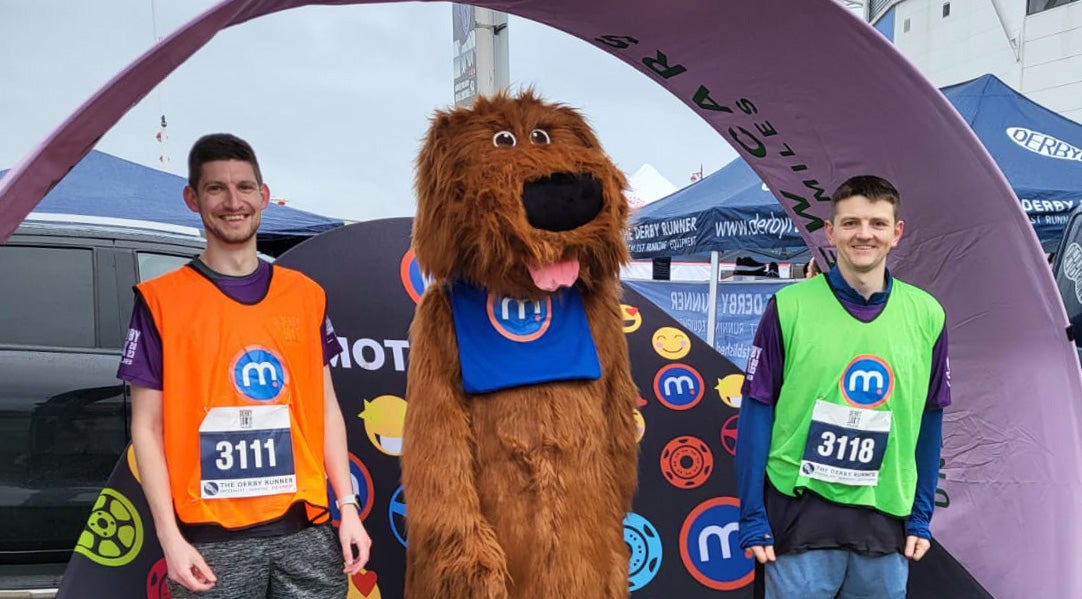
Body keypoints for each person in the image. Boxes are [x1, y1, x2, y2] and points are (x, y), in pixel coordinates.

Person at [119, 133, 370, 598]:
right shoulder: (161, 301)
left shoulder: (305, 295)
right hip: (211, 540)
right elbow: (147, 429)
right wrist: (169, 538)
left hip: (306, 532)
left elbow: (326, 411)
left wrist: (349, 507)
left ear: (264, 196)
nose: (233, 202)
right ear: (192, 199)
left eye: (245, 187)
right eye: (216, 188)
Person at [735, 175, 949, 598]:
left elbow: (931, 419)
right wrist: (752, 515)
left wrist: (922, 515)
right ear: (830, 233)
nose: (864, 234)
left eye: (877, 223)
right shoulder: (788, 307)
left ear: (896, 233)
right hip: (799, 516)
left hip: (884, 523)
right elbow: (756, 413)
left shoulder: (928, 315)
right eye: (850, 223)